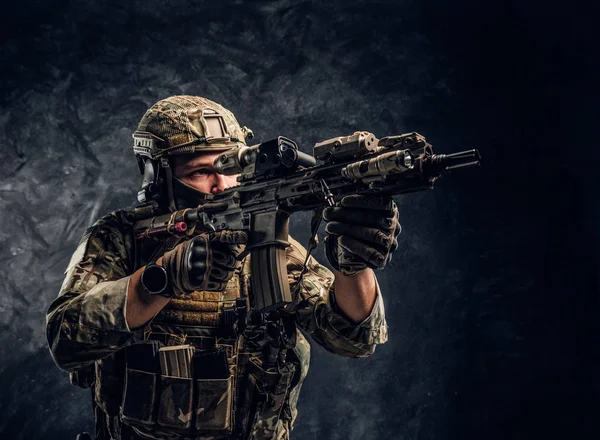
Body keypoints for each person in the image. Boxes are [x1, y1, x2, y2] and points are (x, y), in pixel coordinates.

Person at [46, 95, 400, 440]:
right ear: (156, 178)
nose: (223, 184)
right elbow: (66, 340)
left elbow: (356, 340)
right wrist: (162, 280)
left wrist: (353, 266)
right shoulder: (121, 238)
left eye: (231, 166)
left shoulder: (265, 244)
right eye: (201, 172)